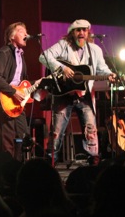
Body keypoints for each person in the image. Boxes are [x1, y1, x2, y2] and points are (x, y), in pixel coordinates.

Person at [39, 19, 116, 166]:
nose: (81, 33)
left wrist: (110, 74)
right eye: (78, 30)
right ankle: (50, 163)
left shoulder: (95, 50)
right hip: (63, 93)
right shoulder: (63, 45)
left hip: (84, 94)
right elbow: (43, 56)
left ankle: (93, 161)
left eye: (84, 30)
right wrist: (61, 68)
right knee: (56, 131)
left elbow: (102, 69)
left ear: (88, 32)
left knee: (90, 129)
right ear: (72, 33)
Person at [0, 22, 32, 161]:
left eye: (26, 31)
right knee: (8, 135)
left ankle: (17, 164)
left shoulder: (20, 55)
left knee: (22, 134)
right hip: (3, 97)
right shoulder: (4, 52)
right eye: (21, 31)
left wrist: (34, 87)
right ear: (12, 37)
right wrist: (13, 91)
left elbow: (21, 81)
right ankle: (7, 168)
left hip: (16, 100)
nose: (26, 34)